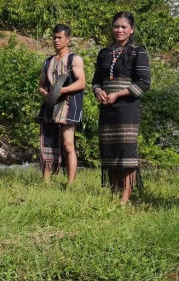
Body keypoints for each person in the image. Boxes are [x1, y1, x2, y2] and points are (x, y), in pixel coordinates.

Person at [91, 12, 151, 204]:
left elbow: (144, 82)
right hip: (107, 109)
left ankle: (125, 198)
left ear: (131, 30)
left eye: (124, 27)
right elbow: (95, 81)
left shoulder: (137, 52)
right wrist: (98, 91)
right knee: (110, 149)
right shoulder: (104, 53)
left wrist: (117, 94)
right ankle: (114, 192)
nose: (119, 30)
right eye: (116, 26)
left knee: (126, 150)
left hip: (127, 108)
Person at [37, 24, 86, 183]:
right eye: (54, 37)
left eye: (60, 37)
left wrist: (62, 90)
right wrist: (45, 94)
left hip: (69, 105)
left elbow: (81, 83)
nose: (56, 40)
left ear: (68, 39)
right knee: (48, 144)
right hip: (50, 105)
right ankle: (46, 182)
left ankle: (70, 183)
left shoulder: (74, 59)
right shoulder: (47, 61)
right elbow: (41, 85)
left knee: (68, 144)